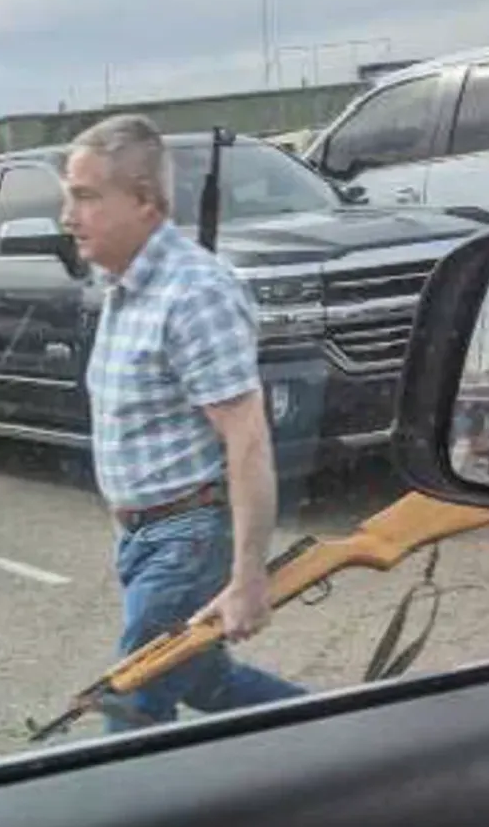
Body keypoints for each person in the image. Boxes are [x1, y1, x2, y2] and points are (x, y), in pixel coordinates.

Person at [58, 113, 306, 734]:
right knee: (207, 681)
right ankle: (346, 737)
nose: (68, 215)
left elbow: (247, 438)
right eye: (69, 195)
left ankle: (126, 826)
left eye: (85, 196)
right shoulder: (123, 286)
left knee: (132, 704)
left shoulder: (193, 292)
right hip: (146, 540)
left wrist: (249, 577)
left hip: (186, 538)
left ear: (144, 200)